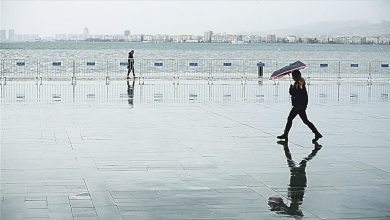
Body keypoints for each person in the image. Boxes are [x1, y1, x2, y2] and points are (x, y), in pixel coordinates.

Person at [268, 140, 322, 217]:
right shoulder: (296, 197)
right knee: (301, 162)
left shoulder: (295, 198)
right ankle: (316, 150)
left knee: (297, 161)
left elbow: (296, 187)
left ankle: (315, 150)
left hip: (297, 179)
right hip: (298, 178)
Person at [277, 70, 322, 142]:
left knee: (290, 119)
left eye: (293, 76)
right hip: (300, 106)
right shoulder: (299, 83)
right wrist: (291, 89)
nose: (292, 78)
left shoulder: (299, 84)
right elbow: (295, 94)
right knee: (305, 121)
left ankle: (285, 134)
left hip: (298, 106)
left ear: (296, 76)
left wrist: (291, 90)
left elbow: (300, 95)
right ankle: (317, 133)